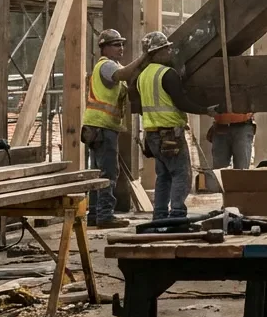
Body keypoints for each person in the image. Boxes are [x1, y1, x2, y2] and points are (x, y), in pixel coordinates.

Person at [136, 31, 217, 220]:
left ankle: (160, 214)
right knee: (182, 174)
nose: (170, 51)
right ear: (154, 53)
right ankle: (177, 213)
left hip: (152, 135)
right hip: (170, 134)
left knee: (163, 176)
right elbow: (182, 103)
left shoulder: (142, 77)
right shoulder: (167, 74)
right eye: (165, 49)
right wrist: (206, 110)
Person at [82, 29, 149, 229]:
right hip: (102, 127)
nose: (121, 48)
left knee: (97, 172)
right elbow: (123, 74)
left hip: (96, 127)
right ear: (104, 48)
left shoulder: (110, 66)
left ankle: (94, 214)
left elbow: (128, 78)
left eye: (122, 44)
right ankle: (104, 215)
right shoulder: (107, 65)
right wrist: (144, 57)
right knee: (108, 172)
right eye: (116, 44)